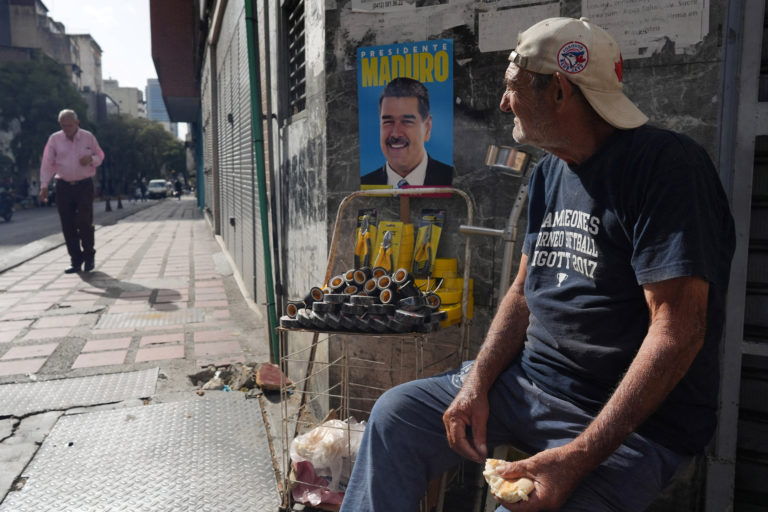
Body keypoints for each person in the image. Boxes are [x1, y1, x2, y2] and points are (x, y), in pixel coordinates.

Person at [340, 17, 735, 512]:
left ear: (561, 92)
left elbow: (678, 331)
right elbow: (524, 292)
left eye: (512, 87)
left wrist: (576, 457)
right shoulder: (550, 170)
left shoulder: (667, 167)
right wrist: (476, 385)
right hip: (528, 384)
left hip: (629, 423)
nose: (504, 103)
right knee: (396, 415)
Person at [40, 109, 105, 274]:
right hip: (63, 185)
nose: (66, 129)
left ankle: (89, 256)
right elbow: (48, 163)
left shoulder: (88, 137)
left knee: (84, 222)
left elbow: (100, 155)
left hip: (84, 185)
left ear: (77, 123)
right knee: (67, 225)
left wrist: (91, 159)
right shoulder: (54, 139)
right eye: (63, 126)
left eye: (69, 125)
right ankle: (76, 261)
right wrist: (44, 185)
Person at [361, 77, 453, 187]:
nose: (395, 134)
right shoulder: (366, 183)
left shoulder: (450, 180)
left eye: (406, 121)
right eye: (388, 122)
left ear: (427, 128)